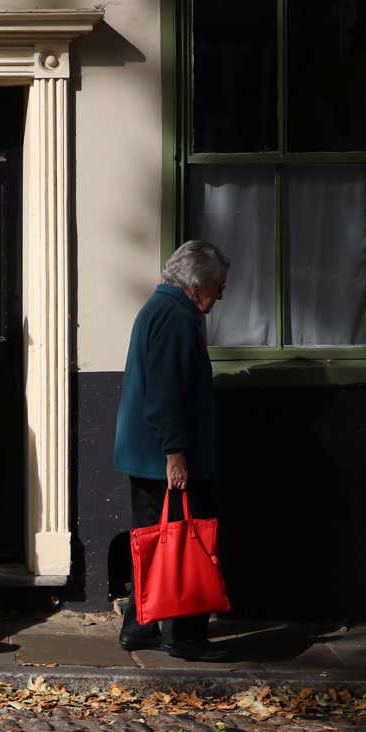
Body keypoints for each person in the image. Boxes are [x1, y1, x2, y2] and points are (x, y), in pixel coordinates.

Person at [113, 239, 232, 662]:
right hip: (164, 455)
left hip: (147, 452)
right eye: (218, 285)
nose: (221, 295)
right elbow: (165, 390)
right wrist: (176, 452)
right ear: (196, 285)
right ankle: (185, 637)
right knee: (187, 541)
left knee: (152, 539)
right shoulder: (176, 316)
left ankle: (140, 626)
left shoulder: (159, 308)